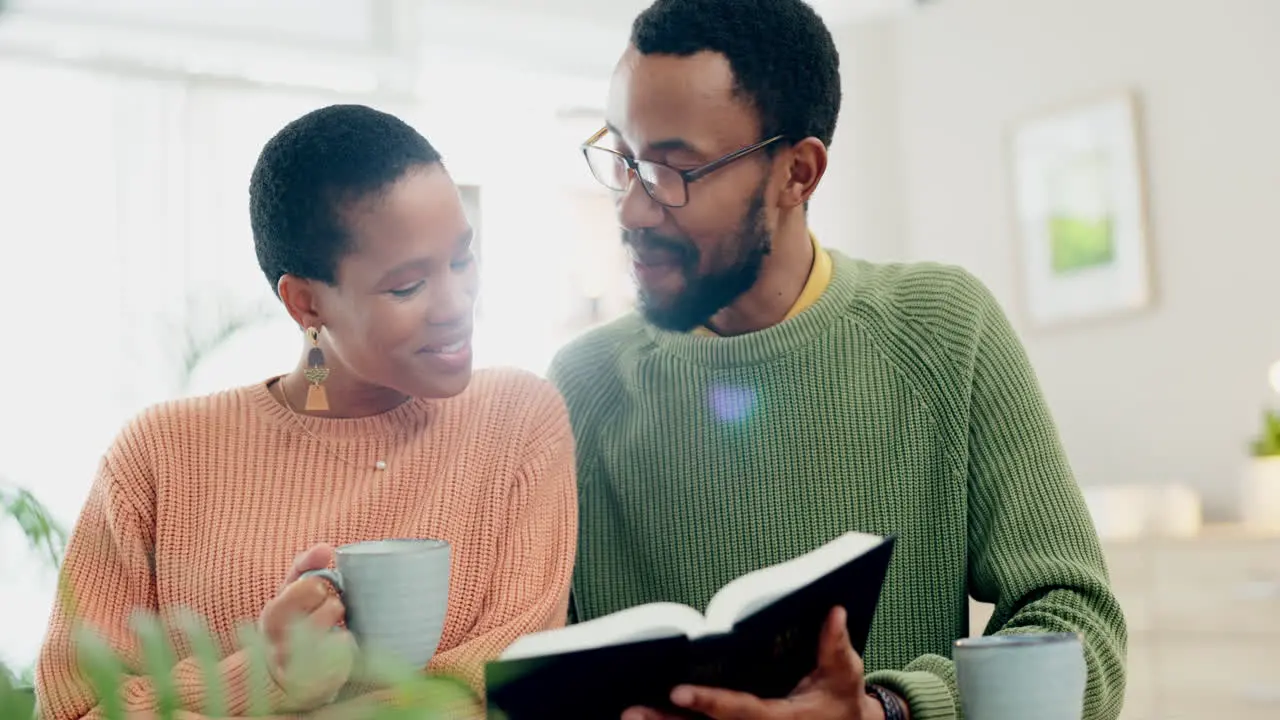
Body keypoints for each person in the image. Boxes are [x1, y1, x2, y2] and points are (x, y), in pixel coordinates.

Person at [547, 1, 1127, 719]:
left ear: (798, 172)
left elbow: (1080, 632)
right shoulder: (578, 390)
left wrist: (888, 710)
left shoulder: (942, 329)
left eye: (672, 170)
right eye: (625, 160)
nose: (632, 209)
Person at [35, 104, 578, 719]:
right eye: (406, 286)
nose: (456, 305)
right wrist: (266, 676)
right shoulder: (160, 455)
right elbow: (72, 708)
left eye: (462, 257)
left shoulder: (518, 421)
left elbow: (509, 684)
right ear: (306, 303)